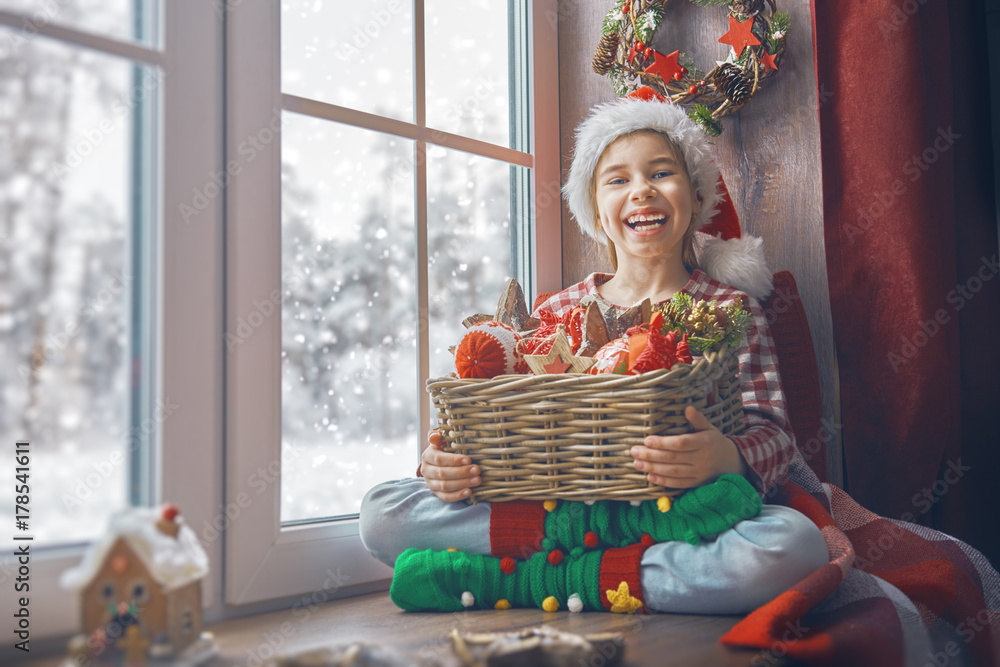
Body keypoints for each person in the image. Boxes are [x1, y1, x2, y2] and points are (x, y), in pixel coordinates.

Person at [358, 98, 830, 615]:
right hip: (555, 505)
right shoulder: (555, 310)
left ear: (695, 198)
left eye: (661, 172)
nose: (641, 190)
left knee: (794, 545)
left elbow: (774, 432)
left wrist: (728, 457)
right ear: (597, 213)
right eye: (618, 180)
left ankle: (515, 578)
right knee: (381, 513)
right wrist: (439, 461)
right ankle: (607, 571)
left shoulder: (728, 308)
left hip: (676, 508)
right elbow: (504, 415)